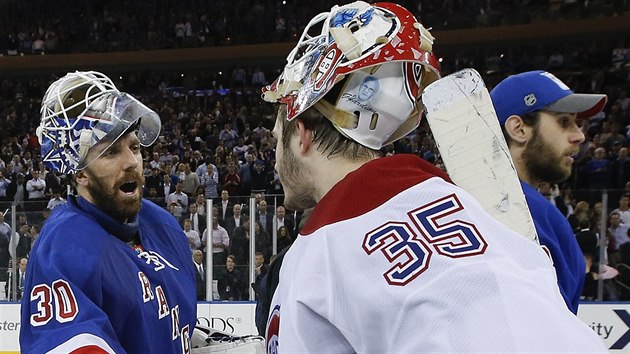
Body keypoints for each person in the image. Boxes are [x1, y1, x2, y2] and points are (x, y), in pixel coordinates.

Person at [260, 2, 606, 352]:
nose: (274, 159)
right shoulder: (479, 211)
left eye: (277, 139)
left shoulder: (314, 257)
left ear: (301, 134)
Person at [20, 71, 197, 353]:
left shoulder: (163, 224)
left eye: (135, 147)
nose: (132, 162)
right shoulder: (65, 247)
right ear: (80, 174)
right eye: (112, 152)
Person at [490, 70, 607, 314]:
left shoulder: (458, 200)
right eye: (564, 122)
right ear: (519, 129)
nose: (579, 136)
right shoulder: (541, 218)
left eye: (577, 123)